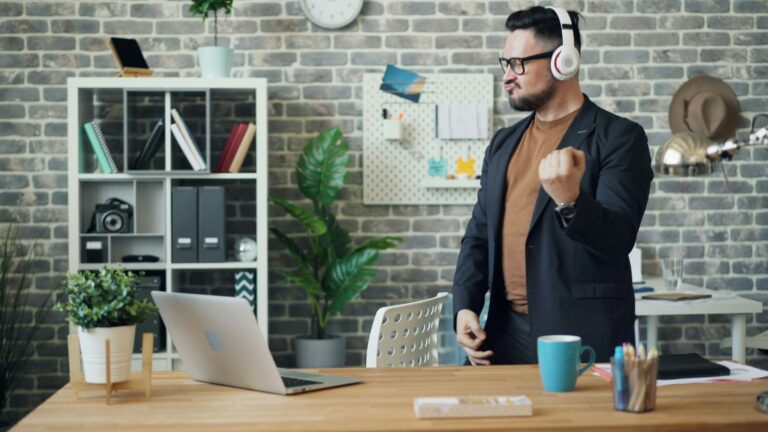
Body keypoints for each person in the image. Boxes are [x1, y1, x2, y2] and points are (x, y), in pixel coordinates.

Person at [452, 6, 653, 365]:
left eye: (519, 64)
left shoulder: (619, 138)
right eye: (506, 64)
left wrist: (570, 201)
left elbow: (618, 237)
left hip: (578, 334)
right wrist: (465, 305)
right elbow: (479, 234)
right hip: (500, 332)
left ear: (563, 61)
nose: (507, 77)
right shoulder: (502, 143)